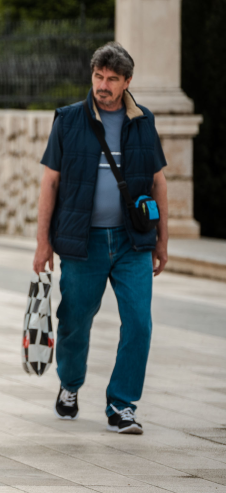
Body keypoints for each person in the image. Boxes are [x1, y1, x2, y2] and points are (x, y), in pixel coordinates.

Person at [34, 42, 169, 435]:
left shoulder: (143, 121)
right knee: (75, 321)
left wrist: (162, 240)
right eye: (98, 76)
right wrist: (43, 242)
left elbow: (159, 182)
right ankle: (70, 385)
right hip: (82, 242)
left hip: (133, 242)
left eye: (112, 78)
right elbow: (50, 182)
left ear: (127, 81)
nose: (103, 85)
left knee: (140, 324)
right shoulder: (69, 120)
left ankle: (121, 404)